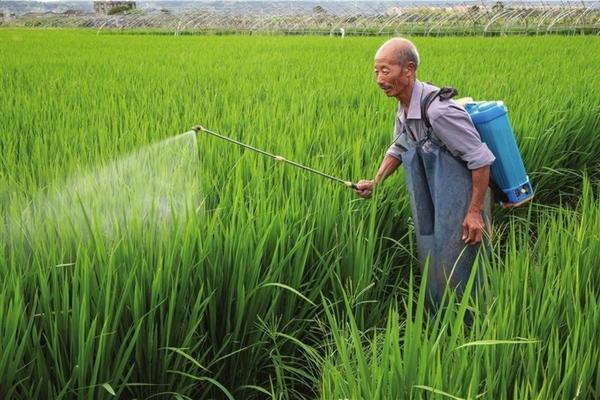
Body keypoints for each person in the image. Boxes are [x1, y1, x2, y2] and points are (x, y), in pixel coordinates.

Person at [355, 37, 495, 317]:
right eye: (375, 71)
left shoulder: (439, 111)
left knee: (460, 264)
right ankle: (441, 323)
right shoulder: (404, 105)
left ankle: (473, 327)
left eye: (386, 70)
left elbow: (481, 159)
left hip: (464, 198)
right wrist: (376, 181)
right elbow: (400, 145)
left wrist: (475, 212)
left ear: (409, 70)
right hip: (435, 194)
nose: (379, 79)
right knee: (434, 257)